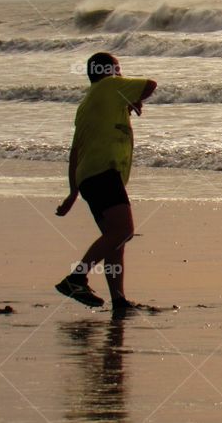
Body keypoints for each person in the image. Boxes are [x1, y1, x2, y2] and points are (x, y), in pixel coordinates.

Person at [55, 52, 157, 309]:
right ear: (109, 71)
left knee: (115, 238)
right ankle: (76, 277)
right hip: (104, 173)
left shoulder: (88, 103)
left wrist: (73, 192)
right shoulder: (110, 87)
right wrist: (130, 97)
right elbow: (150, 85)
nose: (121, 74)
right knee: (123, 231)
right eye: (118, 70)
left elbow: (75, 151)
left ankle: (119, 300)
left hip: (89, 177)